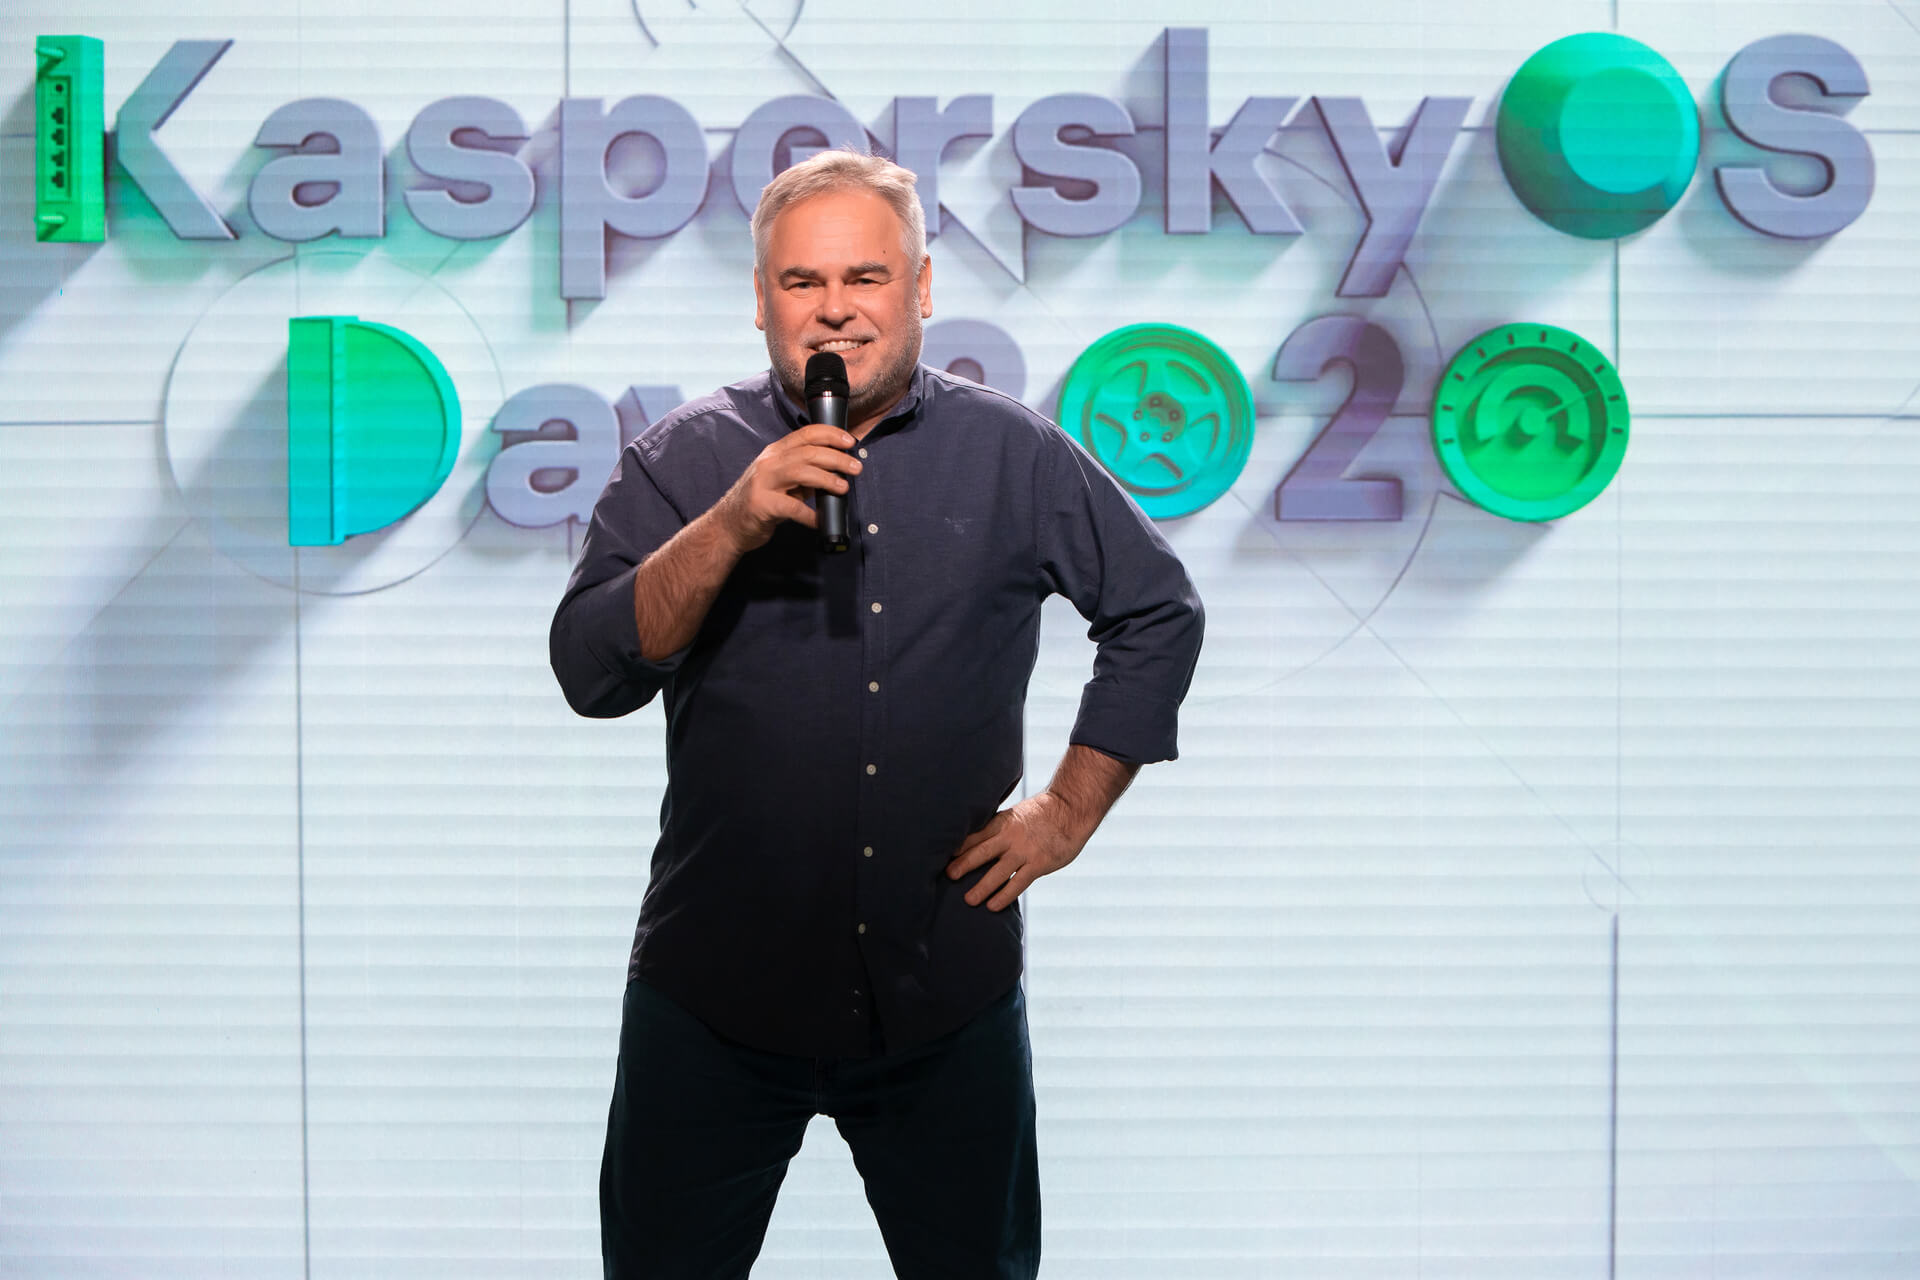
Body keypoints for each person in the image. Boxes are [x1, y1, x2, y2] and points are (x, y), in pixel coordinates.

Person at [549, 148, 1204, 1280]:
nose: (836, 309)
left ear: (922, 288)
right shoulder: (683, 460)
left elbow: (1157, 610)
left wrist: (1066, 811)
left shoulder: (1013, 453)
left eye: (866, 276)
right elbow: (590, 671)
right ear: (762, 301)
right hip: (713, 997)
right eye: (802, 281)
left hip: (943, 996)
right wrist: (732, 523)